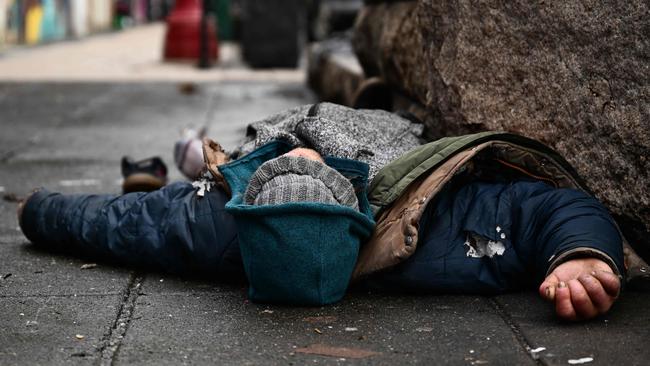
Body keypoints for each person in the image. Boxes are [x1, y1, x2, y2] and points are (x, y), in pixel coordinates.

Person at [17, 103, 634, 321]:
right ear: (355, 209)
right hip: (384, 138)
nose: (308, 156)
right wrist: (581, 254)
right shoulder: (439, 229)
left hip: (257, 143)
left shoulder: (215, 226)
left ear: (252, 199)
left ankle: (189, 155)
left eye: (296, 167)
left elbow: (112, 224)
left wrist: (39, 211)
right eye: (314, 169)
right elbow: (546, 208)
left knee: (197, 172)